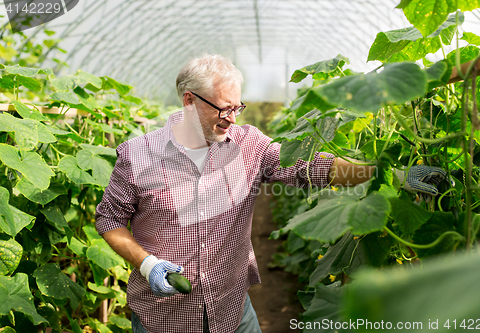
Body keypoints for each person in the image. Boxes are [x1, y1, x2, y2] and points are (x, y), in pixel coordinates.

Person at [95, 54, 448, 333]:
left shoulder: (250, 144)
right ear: (189, 100)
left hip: (231, 309)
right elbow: (109, 217)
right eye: (223, 108)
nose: (231, 117)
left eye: (237, 107)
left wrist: (389, 174)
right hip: (163, 317)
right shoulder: (138, 154)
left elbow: (310, 167)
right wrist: (147, 263)